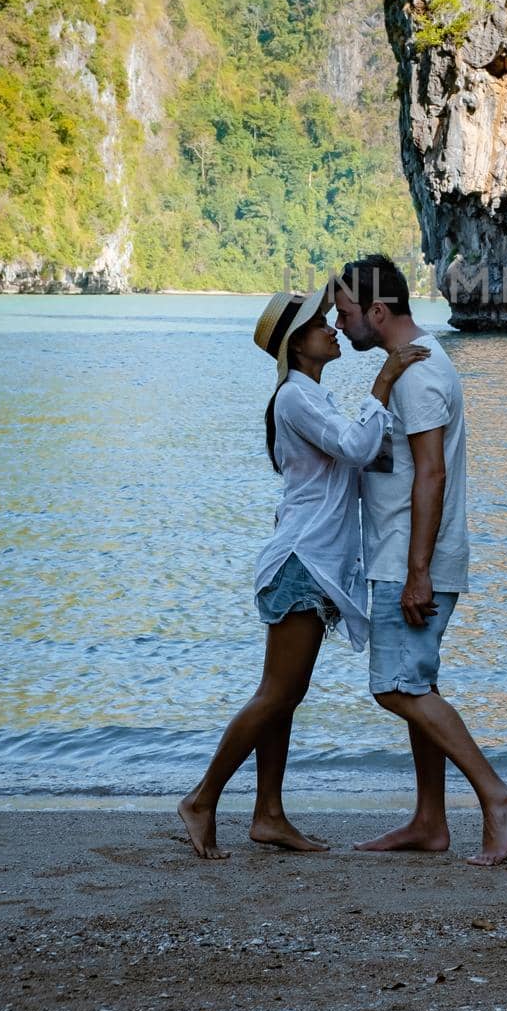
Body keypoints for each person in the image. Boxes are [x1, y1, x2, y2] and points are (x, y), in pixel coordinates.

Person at [177, 281, 429, 859]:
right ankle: (202, 798)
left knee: (285, 696)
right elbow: (358, 449)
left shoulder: (310, 396)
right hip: (302, 562)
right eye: (321, 325)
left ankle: (268, 815)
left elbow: (357, 458)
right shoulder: (295, 398)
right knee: (277, 693)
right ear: (298, 346)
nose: (333, 328)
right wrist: (385, 381)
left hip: (312, 560)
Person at [333, 254, 507, 866]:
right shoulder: (411, 366)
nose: (339, 326)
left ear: (379, 312)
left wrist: (417, 571)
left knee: (396, 688)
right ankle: (429, 820)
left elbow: (431, 474)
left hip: (408, 559)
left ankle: (497, 798)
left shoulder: (419, 376)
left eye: (345, 313)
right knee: (419, 682)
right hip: (400, 553)